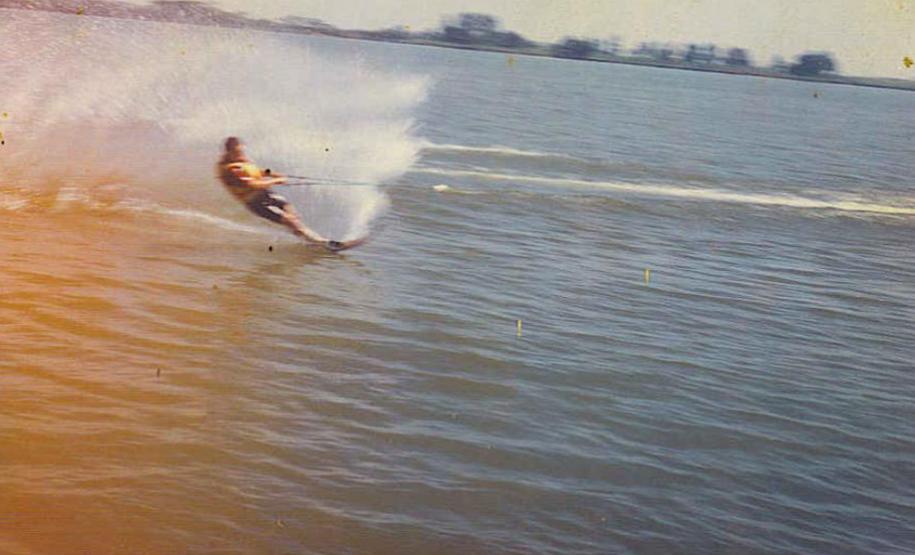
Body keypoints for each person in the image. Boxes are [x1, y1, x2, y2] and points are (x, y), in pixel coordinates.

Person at [217, 137, 349, 251]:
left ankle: (310, 239)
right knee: (290, 221)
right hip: (256, 203)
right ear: (229, 152)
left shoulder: (241, 160)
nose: (240, 154)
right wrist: (277, 180)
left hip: (265, 194)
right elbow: (253, 184)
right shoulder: (232, 169)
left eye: (241, 150)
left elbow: (258, 172)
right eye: (237, 152)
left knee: (291, 212)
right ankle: (325, 243)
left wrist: (275, 174)